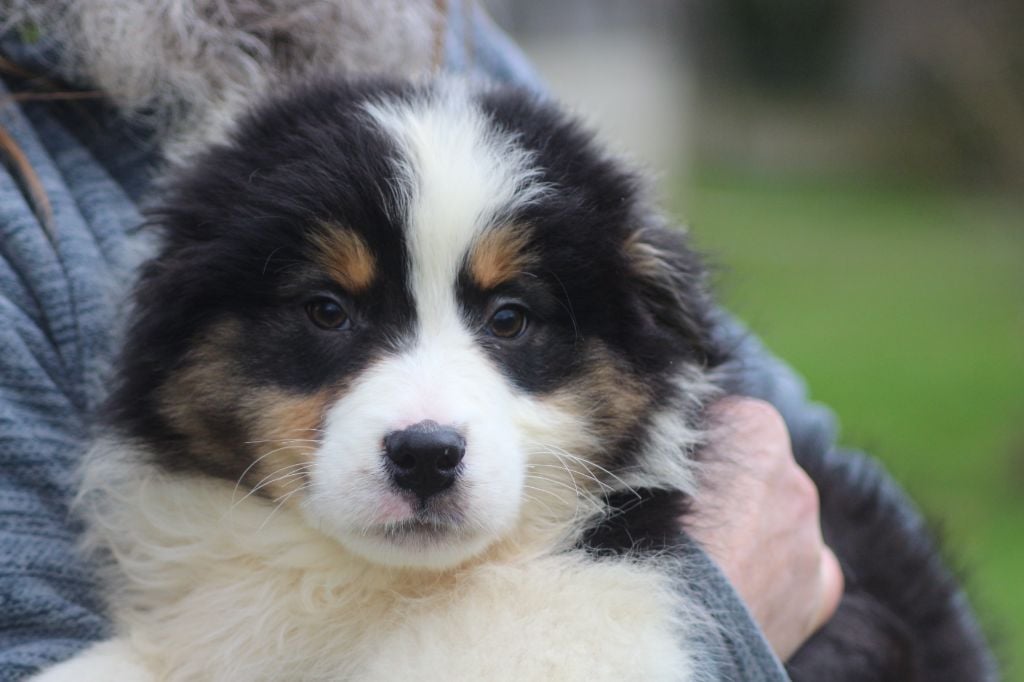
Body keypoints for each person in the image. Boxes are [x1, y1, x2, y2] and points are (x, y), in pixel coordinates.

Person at [0, 1, 845, 679]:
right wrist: (724, 615)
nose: (426, 422)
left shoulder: (450, 30)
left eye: (510, 317)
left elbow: (805, 458)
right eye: (327, 311)